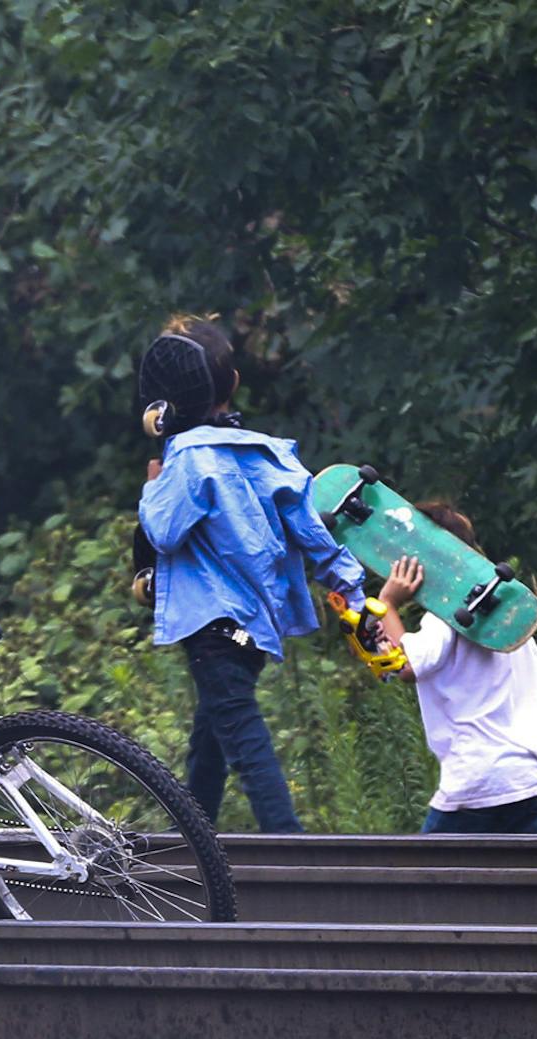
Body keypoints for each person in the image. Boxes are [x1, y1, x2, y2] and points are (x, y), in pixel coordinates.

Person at [136, 316, 373, 833]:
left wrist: (153, 485)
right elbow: (317, 537)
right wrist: (353, 598)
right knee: (212, 734)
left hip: (212, 626)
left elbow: (164, 532)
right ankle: (191, 837)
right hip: (256, 627)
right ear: (234, 384)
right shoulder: (270, 453)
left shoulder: (188, 460)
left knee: (241, 734)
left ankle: (290, 846)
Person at [375, 502, 537, 835]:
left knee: (421, 881)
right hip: (530, 777)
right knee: (519, 885)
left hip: (479, 780)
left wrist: (387, 603)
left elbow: (406, 666)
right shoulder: (509, 616)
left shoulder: (447, 617)